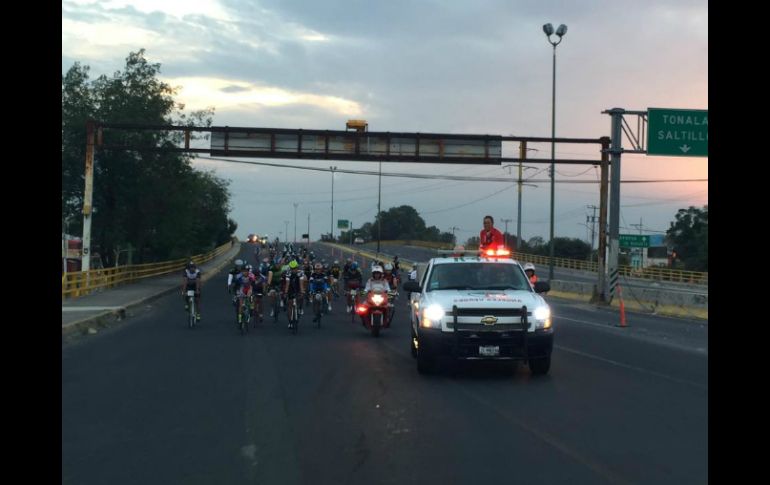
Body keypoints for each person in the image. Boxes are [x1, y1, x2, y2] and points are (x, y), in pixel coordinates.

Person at [282, 260, 306, 328]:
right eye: (292, 268)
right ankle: (290, 322)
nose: (293, 270)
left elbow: (301, 284)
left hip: (298, 286)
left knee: (301, 297)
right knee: (290, 304)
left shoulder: (300, 272)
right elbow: (287, 285)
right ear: (290, 268)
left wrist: (302, 292)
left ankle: (300, 308)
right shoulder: (288, 273)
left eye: (295, 268)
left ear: (297, 267)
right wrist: (285, 293)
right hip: (291, 288)